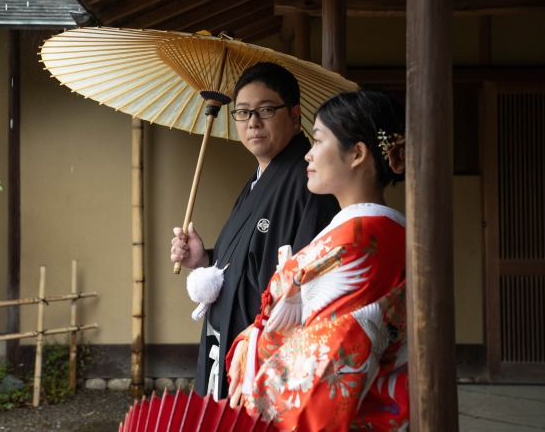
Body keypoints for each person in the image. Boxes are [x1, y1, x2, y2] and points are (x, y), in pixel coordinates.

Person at [226, 88, 409, 431]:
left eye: (318, 141)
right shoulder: (367, 233)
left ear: (356, 153)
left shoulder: (361, 243)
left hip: (348, 412)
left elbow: (333, 352)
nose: (307, 156)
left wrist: (255, 345)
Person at [170, 62, 340, 400]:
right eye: (243, 113)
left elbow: (309, 284)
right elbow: (243, 263)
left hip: (268, 362)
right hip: (233, 352)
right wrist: (205, 259)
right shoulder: (258, 181)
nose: (253, 123)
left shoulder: (309, 182)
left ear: (294, 115)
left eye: (265, 110)